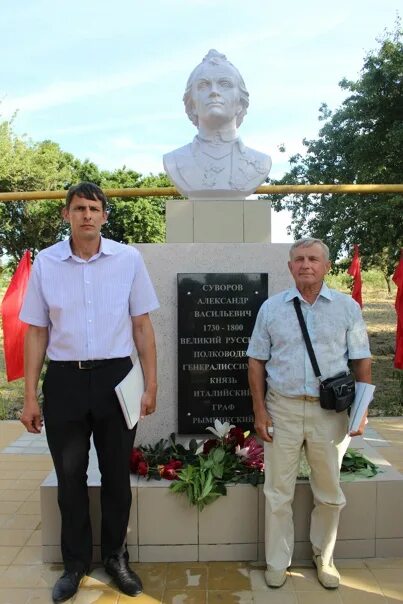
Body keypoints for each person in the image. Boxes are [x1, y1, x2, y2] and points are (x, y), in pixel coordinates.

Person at [19, 182, 159, 602]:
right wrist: (29, 395)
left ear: (104, 216)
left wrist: (151, 383)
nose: (86, 215)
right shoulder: (47, 262)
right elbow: (36, 332)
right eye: (78, 208)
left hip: (118, 378)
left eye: (94, 208)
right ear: (66, 215)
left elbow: (142, 327)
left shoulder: (127, 259)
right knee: (69, 478)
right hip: (64, 381)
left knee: (117, 474)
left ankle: (116, 557)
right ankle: (76, 563)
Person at [247, 238, 371, 590]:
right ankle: (277, 561)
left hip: (328, 414)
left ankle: (324, 555)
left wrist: (361, 411)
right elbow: (256, 361)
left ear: (327, 266)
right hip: (282, 409)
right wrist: (259, 410)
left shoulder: (347, 308)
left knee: (329, 493)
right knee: (278, 493)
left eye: (313, 259)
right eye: (299, 259)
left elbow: (361, 360)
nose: (306, 265)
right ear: (289, 267)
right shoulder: (271, 309)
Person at [163, 49, 271, 199]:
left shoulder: (261, 162)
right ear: (192, 104)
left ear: (240, 102)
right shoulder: (174, 161)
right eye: (203, 85)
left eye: (224, 84)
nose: (214, 91)